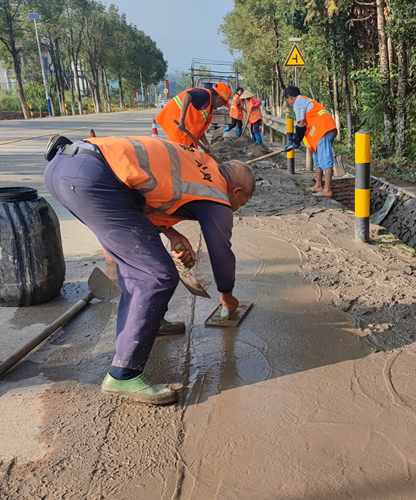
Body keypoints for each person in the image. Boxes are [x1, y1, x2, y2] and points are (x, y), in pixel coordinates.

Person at [44, 136, 255, 404]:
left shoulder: (203, 165)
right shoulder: (217, 194)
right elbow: (221, 252)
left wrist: (171, 232)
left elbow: (142, 193)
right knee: (157, 274)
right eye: (242, 203)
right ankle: (123, 374)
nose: (236, 209)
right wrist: (227, 296)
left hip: (68, 166)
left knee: (137, 262)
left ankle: (148, 321)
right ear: (236, 191)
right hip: (92, 179)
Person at [284, 86, 337, 197]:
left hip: (323, 129)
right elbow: (302, 127)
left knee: (325, 159)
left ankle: (327, 190)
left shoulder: (298, 103)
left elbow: (300, 124)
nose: (289, 103)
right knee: (317, 158)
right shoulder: (305, 100)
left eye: (288, 100)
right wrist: (295, 140)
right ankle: (318, 185)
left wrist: (296, 141)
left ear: (290, 98)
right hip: (320, 130)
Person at [156, 82, 232, 155]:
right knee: (184, 160)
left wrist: (207, 145)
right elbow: (187, 95)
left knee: (191, 159)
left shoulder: (209, 108)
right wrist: (181, 119)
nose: (220, 106)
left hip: (187, 136)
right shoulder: (205, 95)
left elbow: (200, 130)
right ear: (219, 98)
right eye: (223, 104)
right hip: (179, 130)